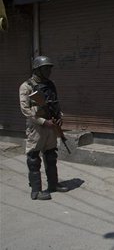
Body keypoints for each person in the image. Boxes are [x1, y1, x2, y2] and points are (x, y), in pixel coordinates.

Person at [19, 55, 69, 200]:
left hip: (51, 124)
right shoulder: (26, 86)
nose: (49, 71)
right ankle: (36, 191)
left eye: (49, 68)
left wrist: (59, 117)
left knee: (51, 155)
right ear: (37, 69)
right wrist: (42, 121)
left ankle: (53, 185)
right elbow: (25, 110)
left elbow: (55, 104)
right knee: (34, 158)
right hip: (37, 127)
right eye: (45, 68)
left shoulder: (50, 84)